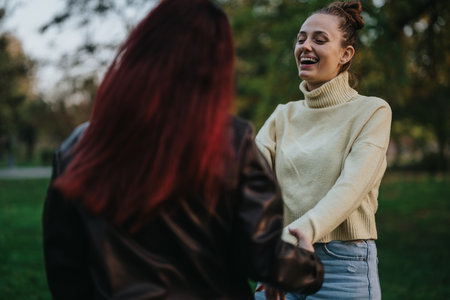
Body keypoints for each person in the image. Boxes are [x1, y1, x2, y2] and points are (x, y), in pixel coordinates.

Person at [42, 0, 324, 299]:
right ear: (214, 67)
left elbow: (65, 271)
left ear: (140, 50)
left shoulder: (78, 147)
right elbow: (262, 254)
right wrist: (309, 268)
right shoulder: (230, 143)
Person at [254, 1, 391, 299]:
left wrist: (297, 235)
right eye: (301, 38)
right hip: (282, 259)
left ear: (345, 54)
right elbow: (250, 180)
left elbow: (351, 187)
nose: (305, 46)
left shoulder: (372, 111)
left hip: (342, 266)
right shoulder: (282, 116)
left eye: (319, 39)